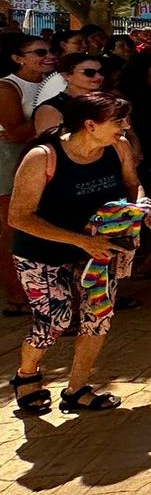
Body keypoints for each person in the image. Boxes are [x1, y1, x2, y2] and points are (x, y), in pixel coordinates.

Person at [8, 93, 144, 413]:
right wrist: (79, 241)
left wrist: (139, 209)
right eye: (118, 121)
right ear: (90, 125)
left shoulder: (117, 147)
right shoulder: (43, 157)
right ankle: (27, 375)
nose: (126, 127)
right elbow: (18, 216)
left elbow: (132, 186)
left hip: (99, 248)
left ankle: (78, 388)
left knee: (98, 317)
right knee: (54, 320)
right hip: (42, 252)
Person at [1, 35, 57, 315]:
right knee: (11, 227)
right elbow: (13, 133)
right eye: (39, 52)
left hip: (41, 155)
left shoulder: (55, 83)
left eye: (49, 51)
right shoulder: (7, 87)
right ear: (17, 58)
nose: (48, 55)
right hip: (8, 158)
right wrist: (47, 111)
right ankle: (16, 295)